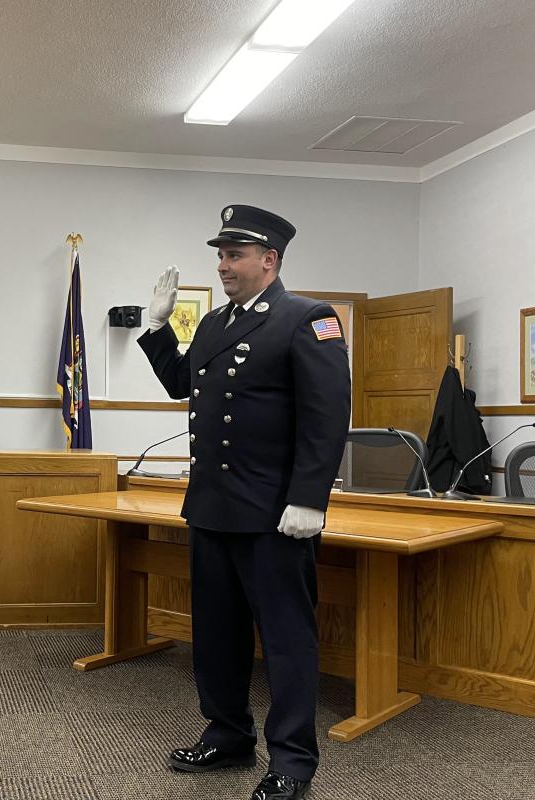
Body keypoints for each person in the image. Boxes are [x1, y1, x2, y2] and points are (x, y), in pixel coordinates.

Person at [137, 205, 350, 800]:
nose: (223, 265)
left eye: (235, 255)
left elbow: (327, 416)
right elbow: (181, 383)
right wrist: (157, 330)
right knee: (216, 635)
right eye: (221, 255)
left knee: (285, 641)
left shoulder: (307, 318)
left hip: (274, 514)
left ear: (269, 260)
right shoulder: (213, 323)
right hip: (213, 507)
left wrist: (309, 498)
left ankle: (293, 762)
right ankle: (228, 735)